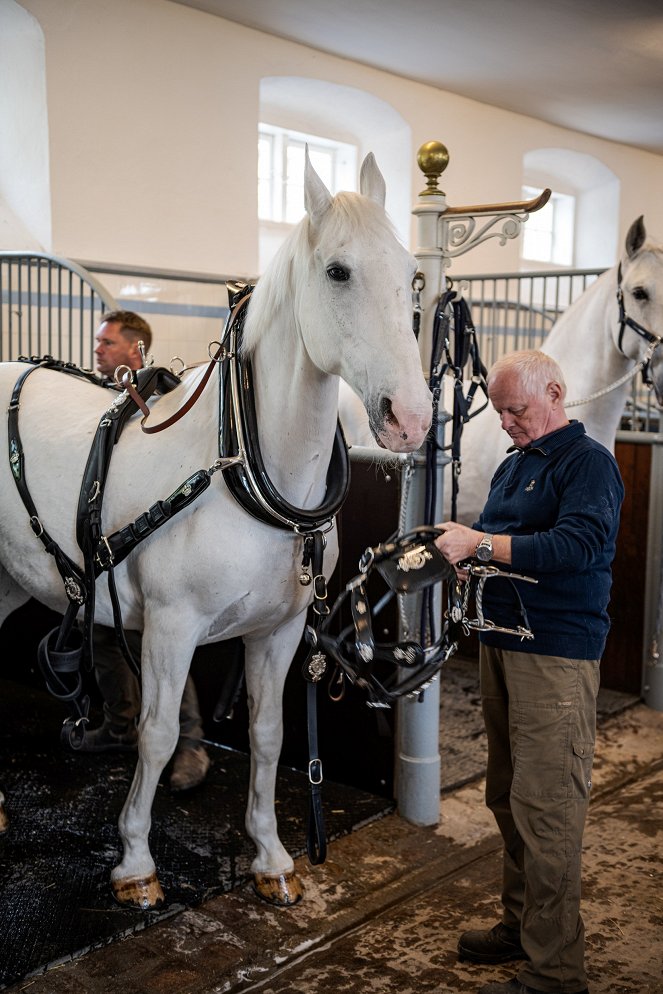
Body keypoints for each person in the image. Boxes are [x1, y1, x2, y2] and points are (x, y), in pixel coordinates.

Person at [435, 349, 624, 994]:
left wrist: (480, 545)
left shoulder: (588, 463)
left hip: (555, 652)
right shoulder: (516, 464)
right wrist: (473, 561)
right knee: (507, 795)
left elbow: (577, 547)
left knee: (547, 808)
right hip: (503, 642)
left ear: (555, 392)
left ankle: (556, 972)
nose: (507, 422)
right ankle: (522, 927)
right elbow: (499, 535)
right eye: (499, 412)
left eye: (516, 409)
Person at [79, 310, 210, 792]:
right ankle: (120, 727)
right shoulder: (94, 397)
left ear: (135, 349)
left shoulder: (161, 398)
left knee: (159, 646)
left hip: (149, 547)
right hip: (103, 543)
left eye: (107, 343)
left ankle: (191, 744)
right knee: (100, 636)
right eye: (98, 342)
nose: (98, 350)